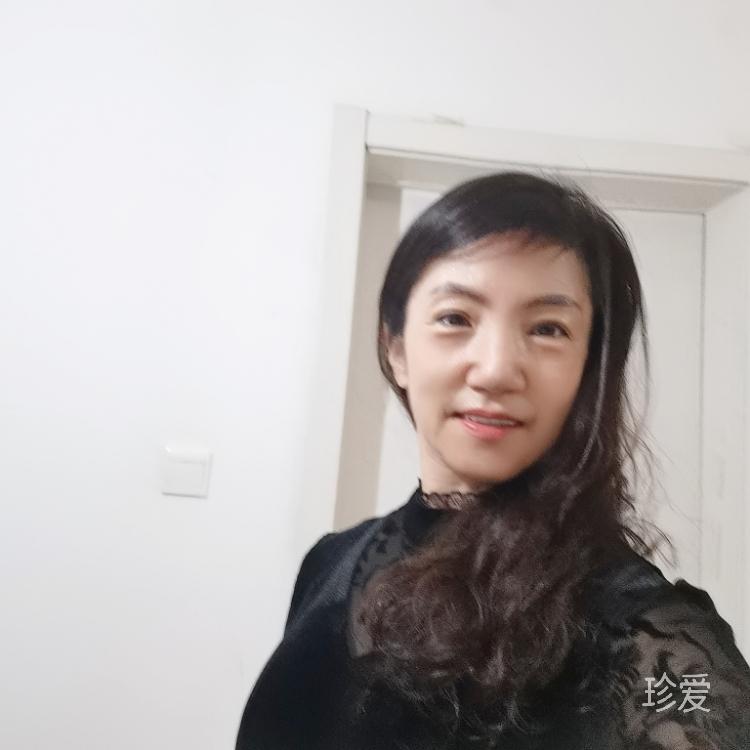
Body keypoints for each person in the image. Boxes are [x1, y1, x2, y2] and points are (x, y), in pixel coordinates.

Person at [235, 172, 750, 749]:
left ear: (588, 370)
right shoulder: (328, 562)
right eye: (455, 318)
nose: (497, 369)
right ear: (396, 349)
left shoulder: (643, 634)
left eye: (548, 329)